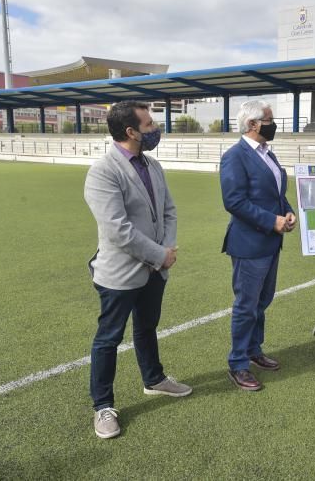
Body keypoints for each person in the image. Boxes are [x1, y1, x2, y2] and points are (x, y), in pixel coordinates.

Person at [84, 100, 191, 439]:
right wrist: (160, 255)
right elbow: (118, 229)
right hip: (120, 274)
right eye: (148, 124)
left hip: (155, 270)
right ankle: (103, 406)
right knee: (109, 338)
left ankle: (154, 380)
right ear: (130, 131)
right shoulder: (103, 171)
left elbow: (169, 210)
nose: (154, 128)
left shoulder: (153, 165)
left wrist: (166, 250)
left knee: (147, 328)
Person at [220, 100, 296, 391]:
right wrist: (271, 221)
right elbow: (234, 202)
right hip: (249, 243)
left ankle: (254, 350)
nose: (273, 123)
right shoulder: (235, 157)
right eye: (269, 119)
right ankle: (237, 364)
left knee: (261, 302)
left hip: (270, 242)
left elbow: (276, 194)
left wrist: (286, 212)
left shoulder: (268, 154)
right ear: (252, 124)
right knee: (246, 306)